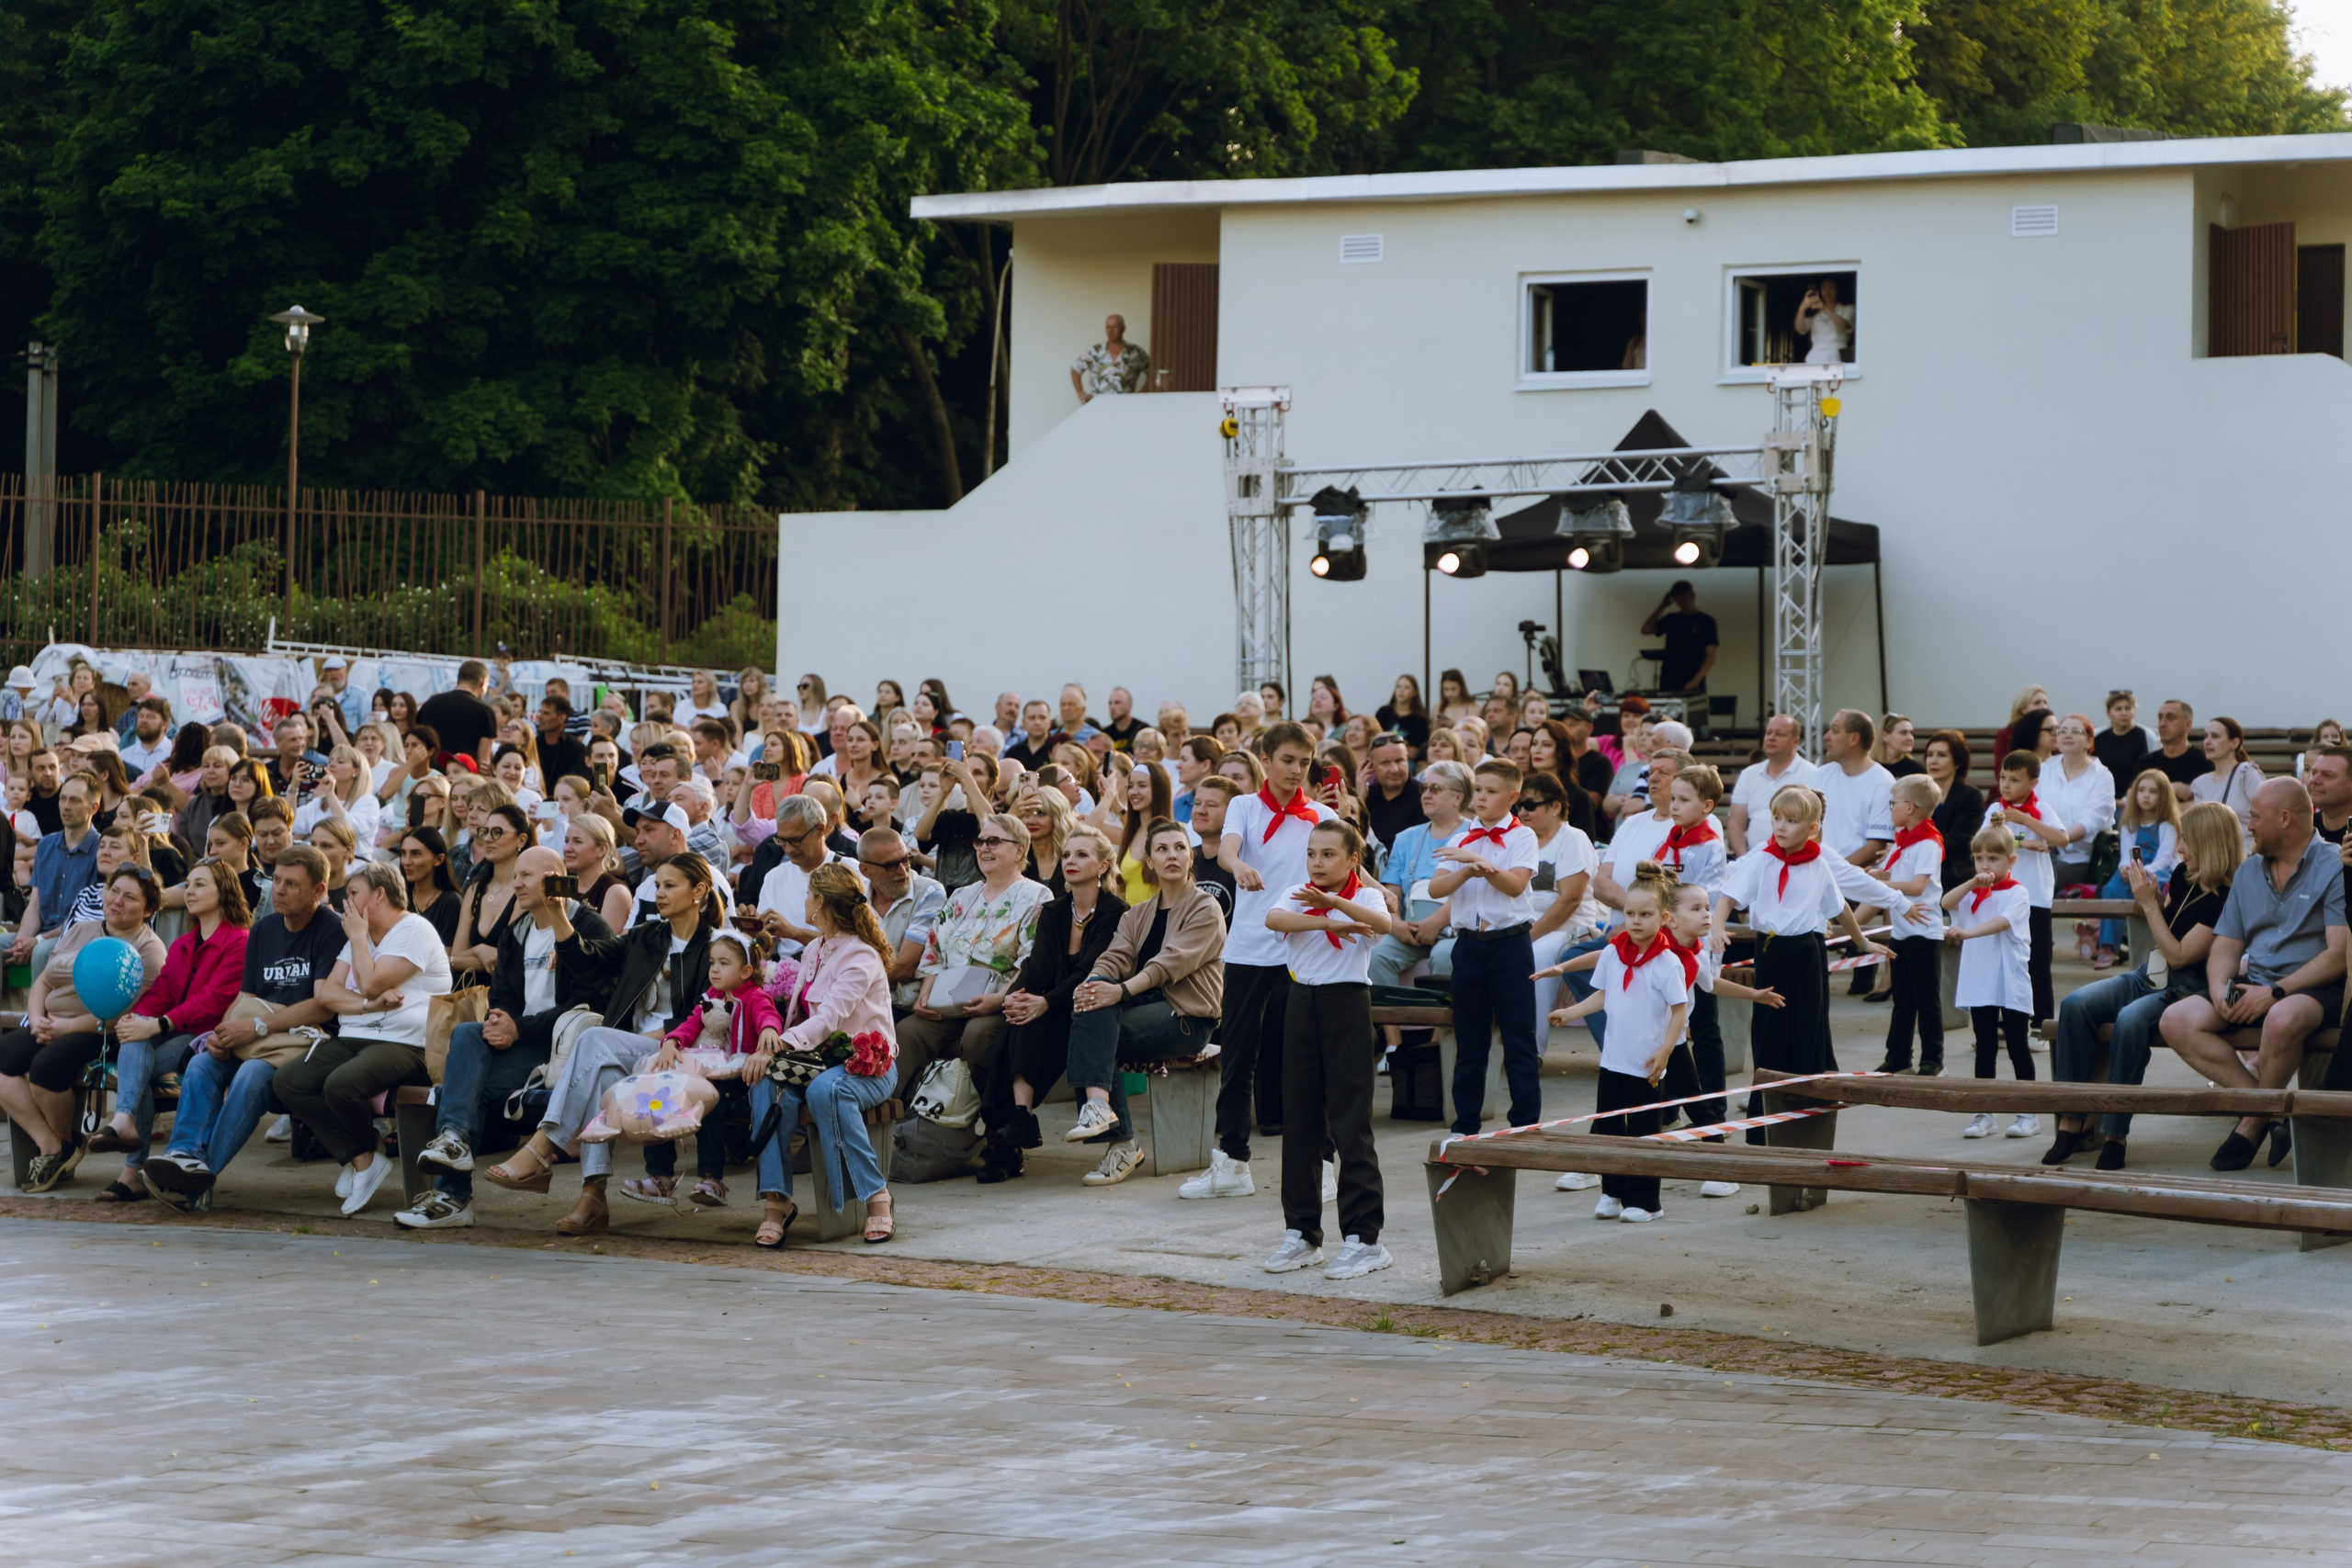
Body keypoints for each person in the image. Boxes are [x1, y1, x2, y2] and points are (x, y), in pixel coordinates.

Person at [480, 854, 727, 1234]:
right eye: (657, 884)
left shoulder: (715, 947)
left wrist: (634, 1041)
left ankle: (542, 1146)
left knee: (595, 1040)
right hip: (629, 1052)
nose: (659, 893)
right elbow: (588, 960)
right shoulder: (647, 936)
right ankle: (592, 1196)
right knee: (601, 1068)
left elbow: (703, 1015)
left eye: (669, 886)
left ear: (699, 892)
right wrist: (559, 914)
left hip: (678, 1055)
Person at [396, 848, 619, 1228]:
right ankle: (453, 1143)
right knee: (469, 1032)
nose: (515, 883)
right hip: (523, 1045)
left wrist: (520, 1028)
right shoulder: (516, 931)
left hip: (568, 1050)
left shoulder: (589, 926)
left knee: (470, 1088)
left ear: (553, 878)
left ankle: (453, 1195)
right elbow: (502, 995)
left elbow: (589, 1002)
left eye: (526, 876)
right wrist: (500, 1020)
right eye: (515, 875)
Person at [2161, 779, 2348, 1169]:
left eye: (2256, 818)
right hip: (2256, 981)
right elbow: (2226, 945)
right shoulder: (2248, 870)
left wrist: (2275, 992)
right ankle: (2273, 1112)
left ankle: (2252, 1121)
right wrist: (2217, 988)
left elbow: (2337, 955)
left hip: (2313, 989)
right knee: (2176, 1020)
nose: (2248, 826)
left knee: (2280, 1020)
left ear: (2284, 819)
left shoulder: (2334, 865)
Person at [2048, 800, 2239, 1171]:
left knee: (2131, 1021)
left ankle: (2115, 1133)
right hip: (2149, 971)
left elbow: (2182, 954)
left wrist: (2149, 905)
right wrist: (2157, 900)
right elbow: (2165, 936)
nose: (2180, 849)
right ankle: (2073, 1121)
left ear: (2211, 843)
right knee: (2074, 1004)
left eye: (2187, 840)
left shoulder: (2224, 898)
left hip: (2182, 988)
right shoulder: (2184, 874)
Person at [268, 863, 453, 1214]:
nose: (344, 902)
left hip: (407, 1044)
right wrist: (368, 1005)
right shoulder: (364, 936)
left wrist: (356, 942)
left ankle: (363, 1159)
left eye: (353, 893)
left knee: (341, 1084)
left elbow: (369, 981)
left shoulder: (414, 929)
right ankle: (363, 1155)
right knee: (288, 1081)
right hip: (356, 1037)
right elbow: (327, 995)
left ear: (379, 894)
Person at [1199, 724, 1333, 1195]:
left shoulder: (1319, 813)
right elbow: (1230, 849)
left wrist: (1378, 895)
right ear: (1266, 758)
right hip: (1248, 948)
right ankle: (1232, 1164)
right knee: (1237, 1057)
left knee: (1310, 1056)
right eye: (1288, 760)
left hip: (1301, 947)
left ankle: (1325, 1165)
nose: (1296, 770)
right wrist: (1237, 867)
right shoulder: (1243, 805)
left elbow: (1344, 867)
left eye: (1304, 762)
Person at [1062, 819, 1228, 1190]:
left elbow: (1170, 963)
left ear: (1191, 857)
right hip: (1142, 1007)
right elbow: (1113, 958)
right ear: (1150, 861)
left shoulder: (1206, 907)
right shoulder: (1137, 913)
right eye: (1162, 849)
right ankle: (1103, 1116)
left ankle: (1118, 1138)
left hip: (1187, 1018)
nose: (1172, 855)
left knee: (1097, 1028)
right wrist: (1093, 983)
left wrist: (1118, 992)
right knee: (1093, 1005)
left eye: (1180, 848)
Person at [1256, 818, 1390, 1274]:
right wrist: (1328, 918)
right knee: (1300, 1120)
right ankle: (1302, 1233)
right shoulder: (1298, 892)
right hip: (1300, 1002)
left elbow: (1383, 923)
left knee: (1351, 1121)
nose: (1317, 862)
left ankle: (1365, 1239)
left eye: (1329, 854)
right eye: (1312, 853)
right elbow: (1274, 918)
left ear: (1353, 859)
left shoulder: (1366, 895)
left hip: (1346, 1004)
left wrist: (1337, 903)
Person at [744, 863, 901, 1245]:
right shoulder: (814, 948)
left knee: (827, 1091)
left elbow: (829, 1017)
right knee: (765, 1084)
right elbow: (799, 1013)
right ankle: (776, 1200)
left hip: (867, 1065)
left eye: (809, 895)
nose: (804, 901)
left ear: (821, 904)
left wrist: (777, 1045)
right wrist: (773, 1053)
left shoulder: (860, 955)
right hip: (815, 1061)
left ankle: (877, 1195)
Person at [1709, 784, 1890, 1103]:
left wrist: (1862, 942)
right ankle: (1765, 1105)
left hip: (1807, 950)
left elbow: (1840, 908)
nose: (1779, 826)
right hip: (1771, 950)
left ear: (1812, 829)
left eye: (1790, 821)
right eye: (1776, 818)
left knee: (1808, 1025)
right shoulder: (1763, 860)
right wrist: (1717, 928)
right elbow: (1728, 897)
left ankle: (1808, 1101)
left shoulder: (1819, 864)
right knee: (1770, 1028)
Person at [83, 860, 251, 1201]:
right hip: (174, 1030)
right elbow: (161, 991)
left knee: (135, 1067)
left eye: (200, 885)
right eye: (188, 884)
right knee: (133, 1040)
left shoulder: (239, 941)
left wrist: (158, 1023)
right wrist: (138, 1018)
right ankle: (128, 1126)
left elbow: (215, 1000)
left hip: (205, 1037)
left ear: (224, 892)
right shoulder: (183, 944)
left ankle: (131, 1162)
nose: (190, 891)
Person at [0, 867, 168, 1190]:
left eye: (130, 897)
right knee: (3, 1057)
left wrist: (66, 1027)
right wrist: (36, 1019)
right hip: (51, 1022)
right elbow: (45, 981)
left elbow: (131, 1014)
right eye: (113, 890)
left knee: (45, 1070)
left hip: (100, 1031)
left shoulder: (149, 949)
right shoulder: (81, 929)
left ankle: (60, 1146)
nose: (116, 900)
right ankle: (55, 1145)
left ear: (148, 910)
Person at [1547, 859, 1692, 1222]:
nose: (1635, 921)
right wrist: (1571, 1012)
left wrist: (1664, 1052)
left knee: (1645, 1133)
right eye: (1629, 913)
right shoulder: (1613, 953)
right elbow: (1603, 995)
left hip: (1646, 1063)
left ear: (1664, 918)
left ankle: (1645, 1202)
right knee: (1609, 1129)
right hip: (1613, 1060)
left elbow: (1679, 1011)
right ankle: (1611, 1191)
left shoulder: (1667, 963)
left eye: (1645, 914)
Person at [982, 825, 1125, 1183]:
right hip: (1050, 1003)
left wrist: (1044, 1002)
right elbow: (1038, 965)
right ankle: (1017, 1122)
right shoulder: (1054, 911)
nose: (1070, 862)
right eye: (1066, 855)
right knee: (1009, 1028)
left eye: (1082, 855)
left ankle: (1011, 1135)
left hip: (1091, 1006)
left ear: (1103, 866)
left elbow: (1094, 970)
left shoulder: (1117, 912)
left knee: (1033, 1021)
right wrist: (1018, 995)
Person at [895, 812, 1047, 1106]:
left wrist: (1000, 999)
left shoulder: (1036, 896)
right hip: (948, 999)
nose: (984, 848)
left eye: (994, 841)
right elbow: (934, 949)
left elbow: (1032, 960)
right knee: (909, 1030)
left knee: (978, 1036)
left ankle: (996, 1128)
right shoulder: (962, 895)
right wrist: (925, 996)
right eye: (979, 842)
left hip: (999, 1001)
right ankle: (901, 1123)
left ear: (1019, 850)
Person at [1430, 758, 1543, 1134]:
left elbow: (1514, 885)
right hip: (1468, 946)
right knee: (1470, 1040)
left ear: (1512, 797)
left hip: (1510, 944)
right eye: (1478, 789)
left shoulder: (1522, 836)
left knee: (1517, 1037)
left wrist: (1478, 861)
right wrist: (1466, 867)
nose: (1481, 797)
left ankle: (1524, 1124)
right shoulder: (1460, 837)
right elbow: (1436, 889)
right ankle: (1465, 1124)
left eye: (1491, 791)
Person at [1943, 827, 2038, 1140]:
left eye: (1993, 858)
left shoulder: (2018, 893)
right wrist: (1972, 882)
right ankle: (1984, 1112)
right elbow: (1946, 902)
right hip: (1980, 981)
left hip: (2009, 980)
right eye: (1979, 858)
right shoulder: (1972, 891)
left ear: (2011, 860)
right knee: (1984, 1048)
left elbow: (2003, 922)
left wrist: (1969, 933)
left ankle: (2028, 1112)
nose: (1985, 865)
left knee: (2017, 1046)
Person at [1871, 774, 1948, 1076]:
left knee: (1927, 1000)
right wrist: (1876, 875)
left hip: (1924, 933)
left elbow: (1917, 886)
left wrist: (1884, 885)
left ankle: (1933, 1058)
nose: (1890, 808)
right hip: (1903, 931)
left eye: (1894, 802)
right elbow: (1892, 875)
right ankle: (1898, 1055)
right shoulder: (1902, 842)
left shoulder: (1927, 843)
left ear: (1912, 807)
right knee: (1902, 999)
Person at [1988, 750, 2067, 1022]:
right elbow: (1981, 843)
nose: (2006, 785)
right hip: (2000, 898)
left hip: (2035, 898)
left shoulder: (2042, 810)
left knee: (2037, 962)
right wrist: (2021, 843)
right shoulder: (1995, 811)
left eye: (2014, 780)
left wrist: (2025, 820)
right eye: (2003, 777)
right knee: (2003, 962)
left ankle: (2042, 1024)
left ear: (2033, 783)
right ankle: (2006, 1021)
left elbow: (2062, 838)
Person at [13, 774, 101, 976]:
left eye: (75, 800)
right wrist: (21, 940)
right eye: (63, 798)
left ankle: (35, 1010)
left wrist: (37, 941)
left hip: (76, 936)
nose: (66, 806)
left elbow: (86, 919)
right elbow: (35, 904)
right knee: (6, 946)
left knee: (41, 952)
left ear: (93, 808)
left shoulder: (101, 850)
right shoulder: (45, 844)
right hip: (42, 932)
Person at [2096, 769, 2183, 966]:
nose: (2146, 795)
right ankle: (2109, 946)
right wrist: (2126, 868)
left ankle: (2151, 943)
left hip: (2159, 871)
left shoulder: (2168, 824)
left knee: (2153, 889)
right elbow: (2126, 852)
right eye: (2142, 790)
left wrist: (2143, 873)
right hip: (2135, 869)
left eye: (2153, 791)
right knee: (2112, 889)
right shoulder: (2129, 824)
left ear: (2163, 796)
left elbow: (2164, 858)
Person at [2041, 716, 2116, 917]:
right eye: (2062, 730)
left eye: (2076, 731)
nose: (2067, 735)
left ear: (2089, 742)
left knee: (2038, 882)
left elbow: (2091, 822)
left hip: (2079, 857)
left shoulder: (2102, 776)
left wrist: (2058, 838)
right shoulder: (2044, 769)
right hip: (2041, 849)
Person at [451, 803, 528, 983]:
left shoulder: (524, 890)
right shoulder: (475, 890)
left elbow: (505, 959)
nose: (487, 839)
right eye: (485, 831)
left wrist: (455, 960)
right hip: (467, 993)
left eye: (497, 832)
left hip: (507, 997)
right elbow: (456, 954)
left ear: (521, 840)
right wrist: (479, 950)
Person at [1921, 730, 1983, 891]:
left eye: (1942, 755)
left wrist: (1919, 848)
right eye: (1930, 755)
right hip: (1918, 865)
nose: (1933, 761)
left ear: (1957, 762)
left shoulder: (1971, 796)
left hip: (1953, 872)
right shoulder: (1917, 793)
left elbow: (1959, 840)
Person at [2192, 716, 2265, 848]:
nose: (2207, 741)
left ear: (2235, 743)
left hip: (2246, 856)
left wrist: (2250, 855)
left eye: (2215, 736)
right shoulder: (2200, 784)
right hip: (2213, 860)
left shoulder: (2246, 773)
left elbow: (2266, 816)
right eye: (2205, 736)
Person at [415, 660, 502, 770]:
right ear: (482, 682)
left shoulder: (430, 703)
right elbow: (483, 761)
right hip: (464, 777)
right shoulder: (485, 711)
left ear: (459, 680)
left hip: (430, 774)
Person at [562, 812, 637, 934]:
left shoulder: (615, 891)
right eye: (566, 841)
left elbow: (604, 947)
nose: (567, 848)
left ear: (602, 850)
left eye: (577, 842)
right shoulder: (562, 883)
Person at [1640, 581, 1718, 694]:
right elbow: (1646, 630)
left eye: (1684, 599)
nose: (1682, 603)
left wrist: (1696, 680)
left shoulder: (1706, 621)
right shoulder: (1672, 619)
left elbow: (1711, 655)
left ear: (1692, 595)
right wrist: (1663, 605)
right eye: (1678, 600)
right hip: (1669, 677)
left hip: (1692, 676)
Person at [2131, 698, 2206, 805]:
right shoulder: (2146, 763)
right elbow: (2134, 797)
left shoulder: (2204, 762)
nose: (2162, 724)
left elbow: (2208, 802)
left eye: (2170, 718)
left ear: (2187, 724)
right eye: (2160, 718)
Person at [401, 826, 465, 947]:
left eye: (416, 854)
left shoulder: (451, 903)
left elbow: (446, 955)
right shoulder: (398, 897)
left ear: (439, 860)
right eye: (403, 854)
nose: (406, 861)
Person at [1361, 731, 1425, 852]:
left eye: (1399, 761)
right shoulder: (1366, 796)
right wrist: (1360, 800)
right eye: (1385, 763)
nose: (1394, 769)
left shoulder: (1424, 795)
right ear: (1371, 765)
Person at [1070, 314, 1149, 401]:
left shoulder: (1135, 352)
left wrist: (1144, 391)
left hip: (1126, 405)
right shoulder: (1095, 351)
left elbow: (1152, 371)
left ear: (1123, 328)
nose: (1111, 331)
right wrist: (1081, 393)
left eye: (1115, 327)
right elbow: (1075, 368)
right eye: (1108, 327)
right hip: (1098, 405)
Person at [2095, 691, 2154, 794]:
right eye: (2118, 709)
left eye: (2128, 708)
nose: (2124, 713)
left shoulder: (2146, 736)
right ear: (2108, 713)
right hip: (2103, 796)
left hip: (2134, 798)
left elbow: (2149, 772)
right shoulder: (2099, 737)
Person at [1795, 276, 1852, 364]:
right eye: (1824, 288)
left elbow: (1845, 326)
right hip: (1815, 359)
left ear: (1838, 289)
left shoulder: (1848, 309)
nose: (1827, 291)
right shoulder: (1814, 313)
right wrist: (1802, 308)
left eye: (1831, 287)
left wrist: (1823, 308)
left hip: (1838, 357)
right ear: (1819, 292)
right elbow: (1800, 328)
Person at [535, 695, 590, 785]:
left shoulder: (576, 749)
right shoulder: (533, 745)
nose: (540, 717)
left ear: (562, 718)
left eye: (546, 713)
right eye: (540, 712)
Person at [1375, 676, 1430, 756]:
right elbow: (1375, 738)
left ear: (1415, 692)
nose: (1401, 690)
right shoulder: (1384, 712)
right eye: (1398, 686)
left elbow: (1415, 750)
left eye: (1406, 687)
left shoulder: (1420, 719)